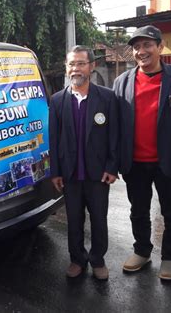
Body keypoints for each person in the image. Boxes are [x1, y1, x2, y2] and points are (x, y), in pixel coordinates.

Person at [113, 25, 171, 280]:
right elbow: (116, 126)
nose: (141, 51)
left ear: (160, 47)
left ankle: (170, 258)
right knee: (138, 210)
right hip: (135, 162)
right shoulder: (122, 81)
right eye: (137, 47)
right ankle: (142, 250)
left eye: (147, 45)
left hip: (169, 160)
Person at [49, 45, 118, 280]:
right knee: (74, 219)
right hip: (70, 174)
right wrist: (55, 172)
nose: (75, 68)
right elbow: (54, 138)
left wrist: (112, 167)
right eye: (71, 64)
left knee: (99, 219)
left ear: (91, 66)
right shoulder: (57, 100)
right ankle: (77, 259)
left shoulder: (107, 98)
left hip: (98, 174)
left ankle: (98, 259)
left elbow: (114, 136)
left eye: (80, 63)